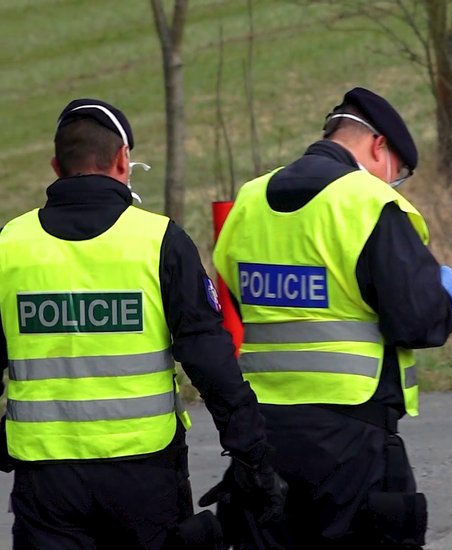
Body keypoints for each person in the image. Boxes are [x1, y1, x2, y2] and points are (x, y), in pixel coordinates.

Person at [0, 98, 287, 549]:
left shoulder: (9, 245)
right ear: (122, 160)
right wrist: (252, 453)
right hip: (145, 478)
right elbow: (208, 356)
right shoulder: (159, 241)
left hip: (46, 483)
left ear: (56, 165)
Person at [208, 86, 452, 549]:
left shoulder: (250, 199)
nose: (392, 184)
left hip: (264, 434)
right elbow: (418, 323)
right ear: (378, 147)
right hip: (352, 435)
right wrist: (441, 293)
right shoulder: (367, 202)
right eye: (396, 175)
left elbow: (241, 300)